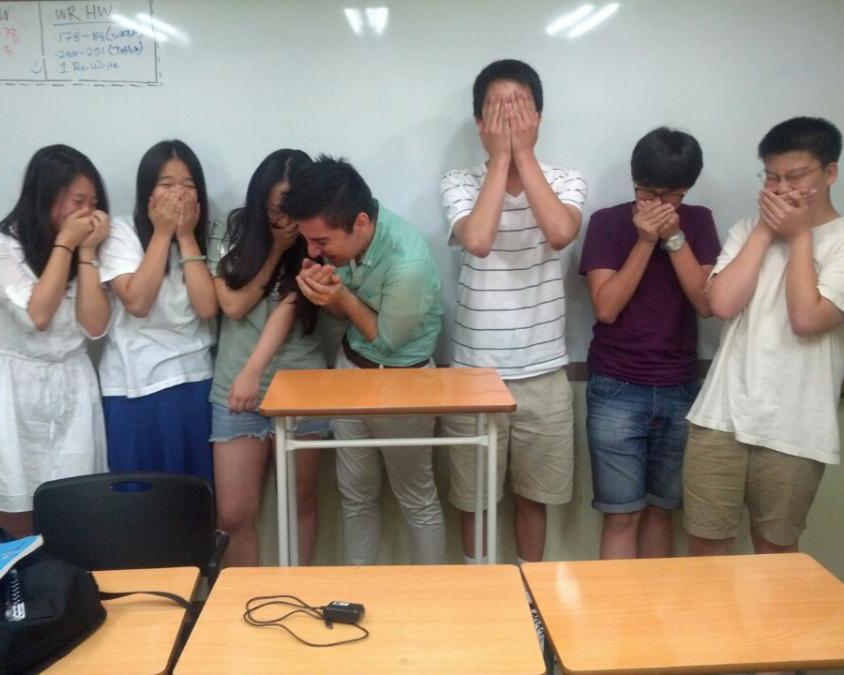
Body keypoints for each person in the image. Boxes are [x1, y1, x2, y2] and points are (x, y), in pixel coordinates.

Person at [439, 59, 586, 564]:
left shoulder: (567, 180)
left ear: (537, 118)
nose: (506, 121)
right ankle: (479, 595)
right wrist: (503, 158)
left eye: (517, 109)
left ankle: (529, 596)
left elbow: (560, 233)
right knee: (474, 502)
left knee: (533, 499)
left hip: (544, 372)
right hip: (474, 375)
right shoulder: (459, 181)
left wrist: (522, 153)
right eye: (495, 112)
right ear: (479, 122)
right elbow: (478, 240)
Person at [685, 116, 843, 556]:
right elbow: (722, 304)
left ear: (830, 173)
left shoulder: (840, 241)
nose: (781, 189)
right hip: (720, 418)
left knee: (775, 559)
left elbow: (807, 318)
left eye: (796, 177)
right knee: (705, 552)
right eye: (771, 177)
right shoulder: (745, 230)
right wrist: (765, 229)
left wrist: (799, 237)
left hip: (796, 427)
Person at [283, 155, 446, 565]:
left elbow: (388, 341)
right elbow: (348, 317)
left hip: (404, 384)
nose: (313, 251)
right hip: (349, 370)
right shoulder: (348, 239)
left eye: (322, 242)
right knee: (354, 495)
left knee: (416, 497)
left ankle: (433, 594)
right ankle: (357, 590)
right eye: (308, 240)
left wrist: (339, 296)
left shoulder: (408, 262)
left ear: (359, 222)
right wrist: (326, 293)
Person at [579, 127, 720, 559]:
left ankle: (655, 605)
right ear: (634, 181)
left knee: (662, 512)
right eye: (646, 192)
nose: (657, 204)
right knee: (621, 516)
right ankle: (615, 606)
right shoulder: (607, 222)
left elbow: (706, 303)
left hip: (680, 386)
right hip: (616, 387)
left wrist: (674, 239)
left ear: (687, 189)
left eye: (670, 195)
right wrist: (644, 241)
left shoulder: (699, 221)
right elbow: (607, 308)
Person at [0, 144, 111, 537]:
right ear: (46, 196)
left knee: (76, 526)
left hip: (73, 390)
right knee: (17, 537)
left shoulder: (82, 253)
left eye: (94, 204)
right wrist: (65, 244)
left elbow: (95, 326)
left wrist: (86, 253)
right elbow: (36, 315)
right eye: (78, 201)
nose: (88, 213)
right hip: (10, 396)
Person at [209, 149, 327, 566]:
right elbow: (233, 305)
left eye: (294, 209)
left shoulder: (317, 238)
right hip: (236, 384)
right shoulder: (231, 229)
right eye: (277, 208)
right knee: (233, 514)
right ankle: (246, 599)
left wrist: (255, 370)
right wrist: (275, 250)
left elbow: (290, 307)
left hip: (300, 384)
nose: (286, 219)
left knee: (299, 502)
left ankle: (298, 592)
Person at [97, 140, 217, 479]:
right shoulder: (121, 232)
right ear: (147, 191)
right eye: (166, 184)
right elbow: (137, 302)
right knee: (138, 497)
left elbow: (207, 307)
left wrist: (187, 237)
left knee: (193, 494)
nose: (178, 193)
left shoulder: (206, 235)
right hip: (133, 386)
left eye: (188, 185)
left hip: (194, 379)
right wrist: (163, 233)